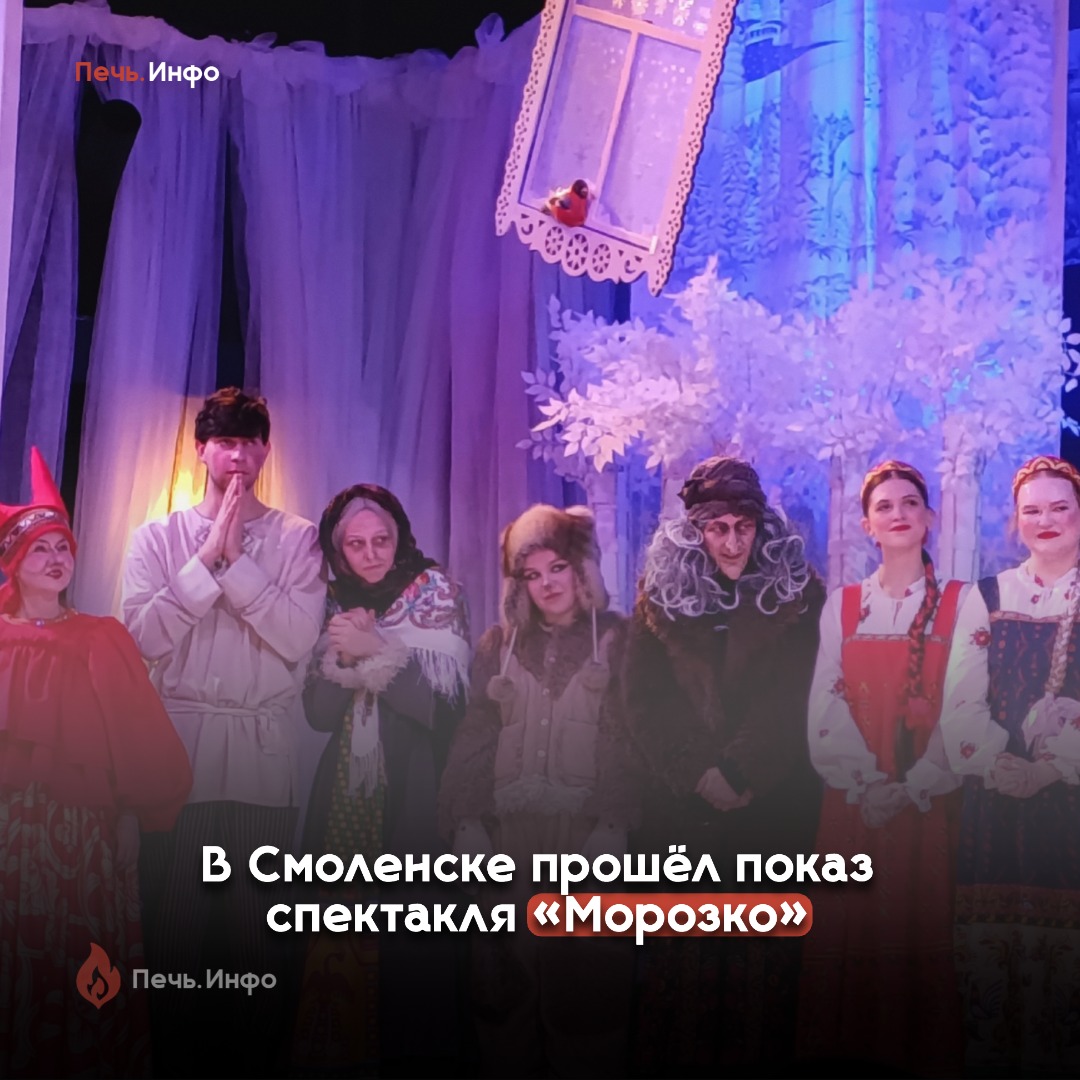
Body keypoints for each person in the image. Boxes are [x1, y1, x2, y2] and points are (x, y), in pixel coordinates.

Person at [121, 388, 325, 1078]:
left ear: (266, 451)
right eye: (225, 441)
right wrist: (208, 556)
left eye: (249, 442)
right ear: (202, 450)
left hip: (263, 762)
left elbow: (298, 639)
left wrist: (237, 563)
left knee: (256, 943)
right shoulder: (157, 538)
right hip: (180, 758)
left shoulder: (298, 538)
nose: (237, 456)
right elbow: (141, 640)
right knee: (175, 936)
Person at [614, 455, 825, 1074]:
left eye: (743, 527)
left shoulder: (800, 593)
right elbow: (642, 699)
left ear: (762, 528)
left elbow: (796, 695)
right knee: (680, 972)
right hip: (683, 816)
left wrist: (741, 771)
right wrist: (698, 772)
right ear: (694, 532)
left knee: (763, 972)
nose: (732, 542)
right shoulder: (658, 596)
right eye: (717, 528)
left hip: (771, 811)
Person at [0, 448, 192, 1078]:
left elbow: (133, 736)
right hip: (7, 826)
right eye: (41, 550)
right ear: (13, 562)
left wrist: (133, 814)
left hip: (79, 828)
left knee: (77, 946)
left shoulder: (102, 636)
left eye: (64, 547)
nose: (57, 559)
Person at [438, 504, 634, 1078]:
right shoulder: (497, 645)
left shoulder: (619, 641)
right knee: (503, 989)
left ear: (582, 568)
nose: (547, 584)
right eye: (532, 574)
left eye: (558, 568)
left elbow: (625, 737)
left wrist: (614, 823)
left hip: (584, 841)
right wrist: (467, 821)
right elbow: (476, 736)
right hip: (508, 842)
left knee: (585, 994)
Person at [295, 483, 470, 1074]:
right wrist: (344, 656)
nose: (371, 554)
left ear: (400, 538)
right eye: (356, 544)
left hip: (414, 782)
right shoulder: (333, 602)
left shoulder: (438, 593)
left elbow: (446, 713)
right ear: (338, 551)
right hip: (344, 786)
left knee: (408, 940)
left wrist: (379, 650)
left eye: (381, 540)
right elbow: (318, 715)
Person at [798, 460, 965, 1075]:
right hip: (855, 803)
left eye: (910, 502)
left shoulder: (962, 603)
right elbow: (826, 705)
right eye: (884, 506)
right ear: (867, 525)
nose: (898, 514)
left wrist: (914, 786)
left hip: (930, 801)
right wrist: (867, 784)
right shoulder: (842, 607)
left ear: (929, 517)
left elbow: (968, 706)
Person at [941, 454, 1080, 1077]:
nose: (1045, 520)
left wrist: (1050, 769)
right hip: (995, 810)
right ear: (1015, 520)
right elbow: (960, 702)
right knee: (991, 985)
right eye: (1032, 510)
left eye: (1060, 508)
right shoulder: (988, 595)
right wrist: (999, 764)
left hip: (1072, 805)